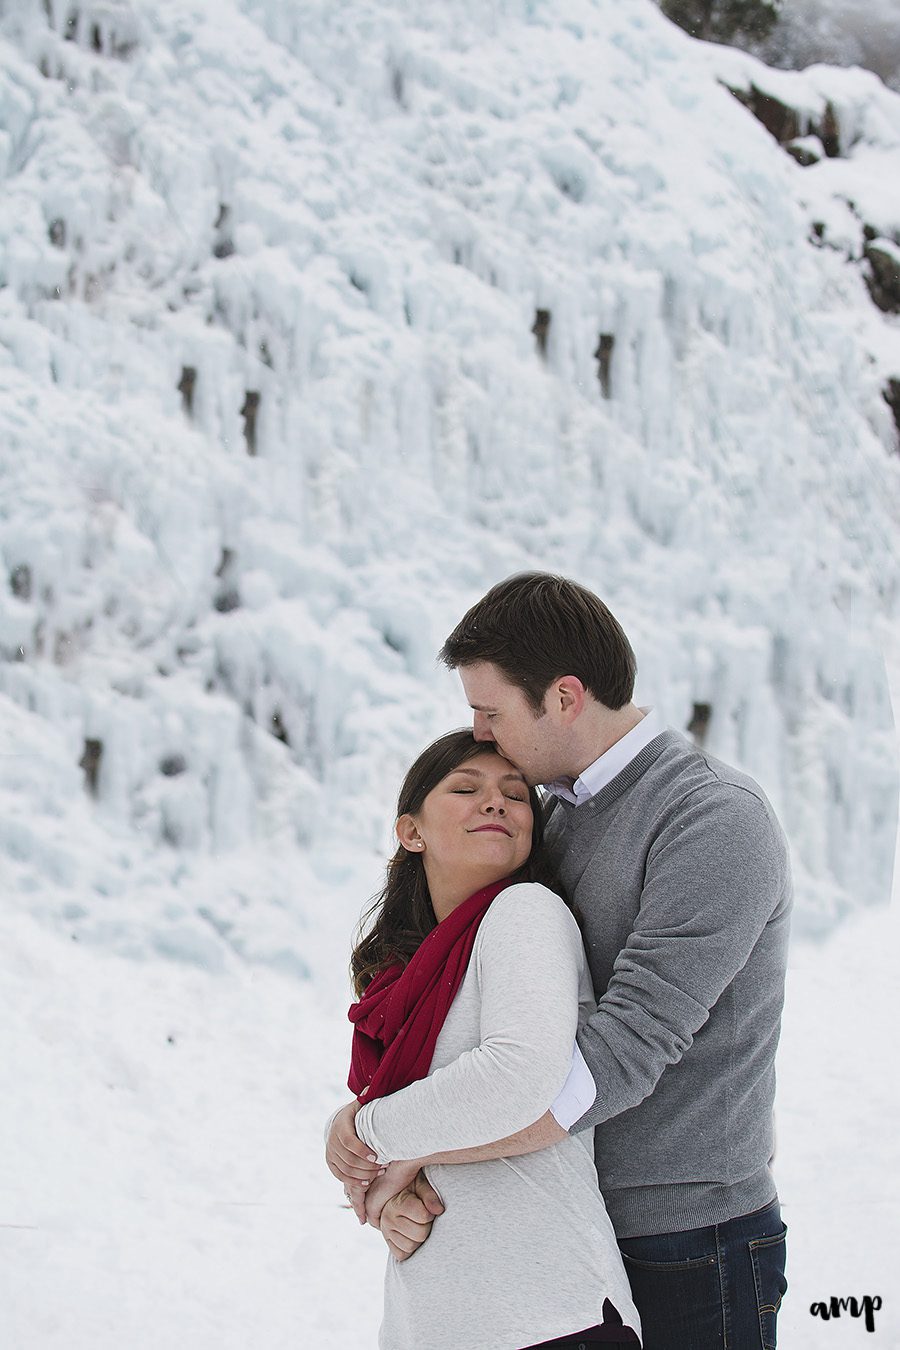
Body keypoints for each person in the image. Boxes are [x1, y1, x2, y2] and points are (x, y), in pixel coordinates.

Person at [331, 572, 792, 1350]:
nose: (479, 735)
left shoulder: (712, 819)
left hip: (687, 1235)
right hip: (574, 1231)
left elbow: (620, 1054)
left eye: (490, 712)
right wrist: (389, 1151)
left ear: (566, 697)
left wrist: (403, 1151)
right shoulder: (553, 815)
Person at [327, 728, 642, 1349]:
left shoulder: (525, 911)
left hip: (545, 1313)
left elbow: (516, 1076)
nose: (495, 803)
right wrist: (385, 1178)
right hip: (438, 1322)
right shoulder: (404, 976)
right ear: (411, 831)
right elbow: (433, 1119)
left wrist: (366, 1136)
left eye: (516, 794)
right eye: (466, 789)